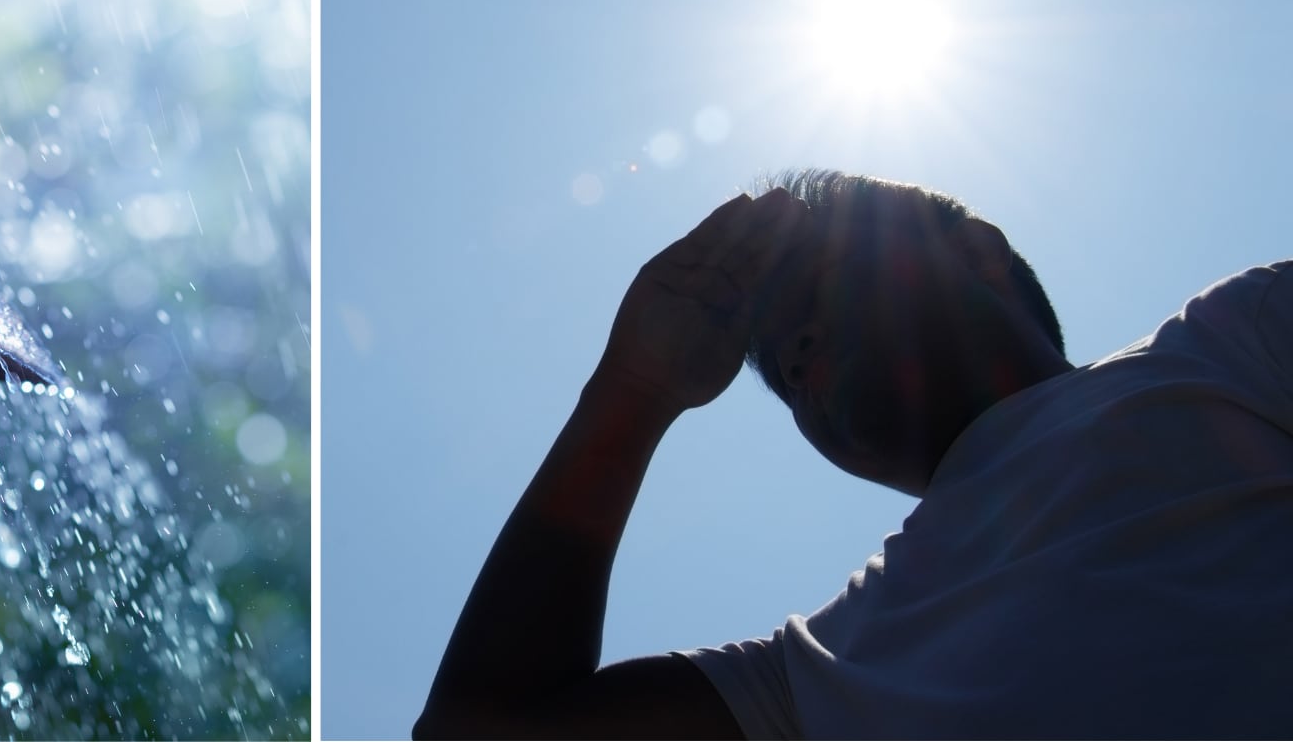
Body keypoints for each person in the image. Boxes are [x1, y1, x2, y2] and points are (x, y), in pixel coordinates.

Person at [414, 169, 1293, 739]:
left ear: (976, 255)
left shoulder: (1231, 344)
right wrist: (634, 391)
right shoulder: (817, 678)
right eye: (780, 366)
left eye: (826, 289)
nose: (793, 352)